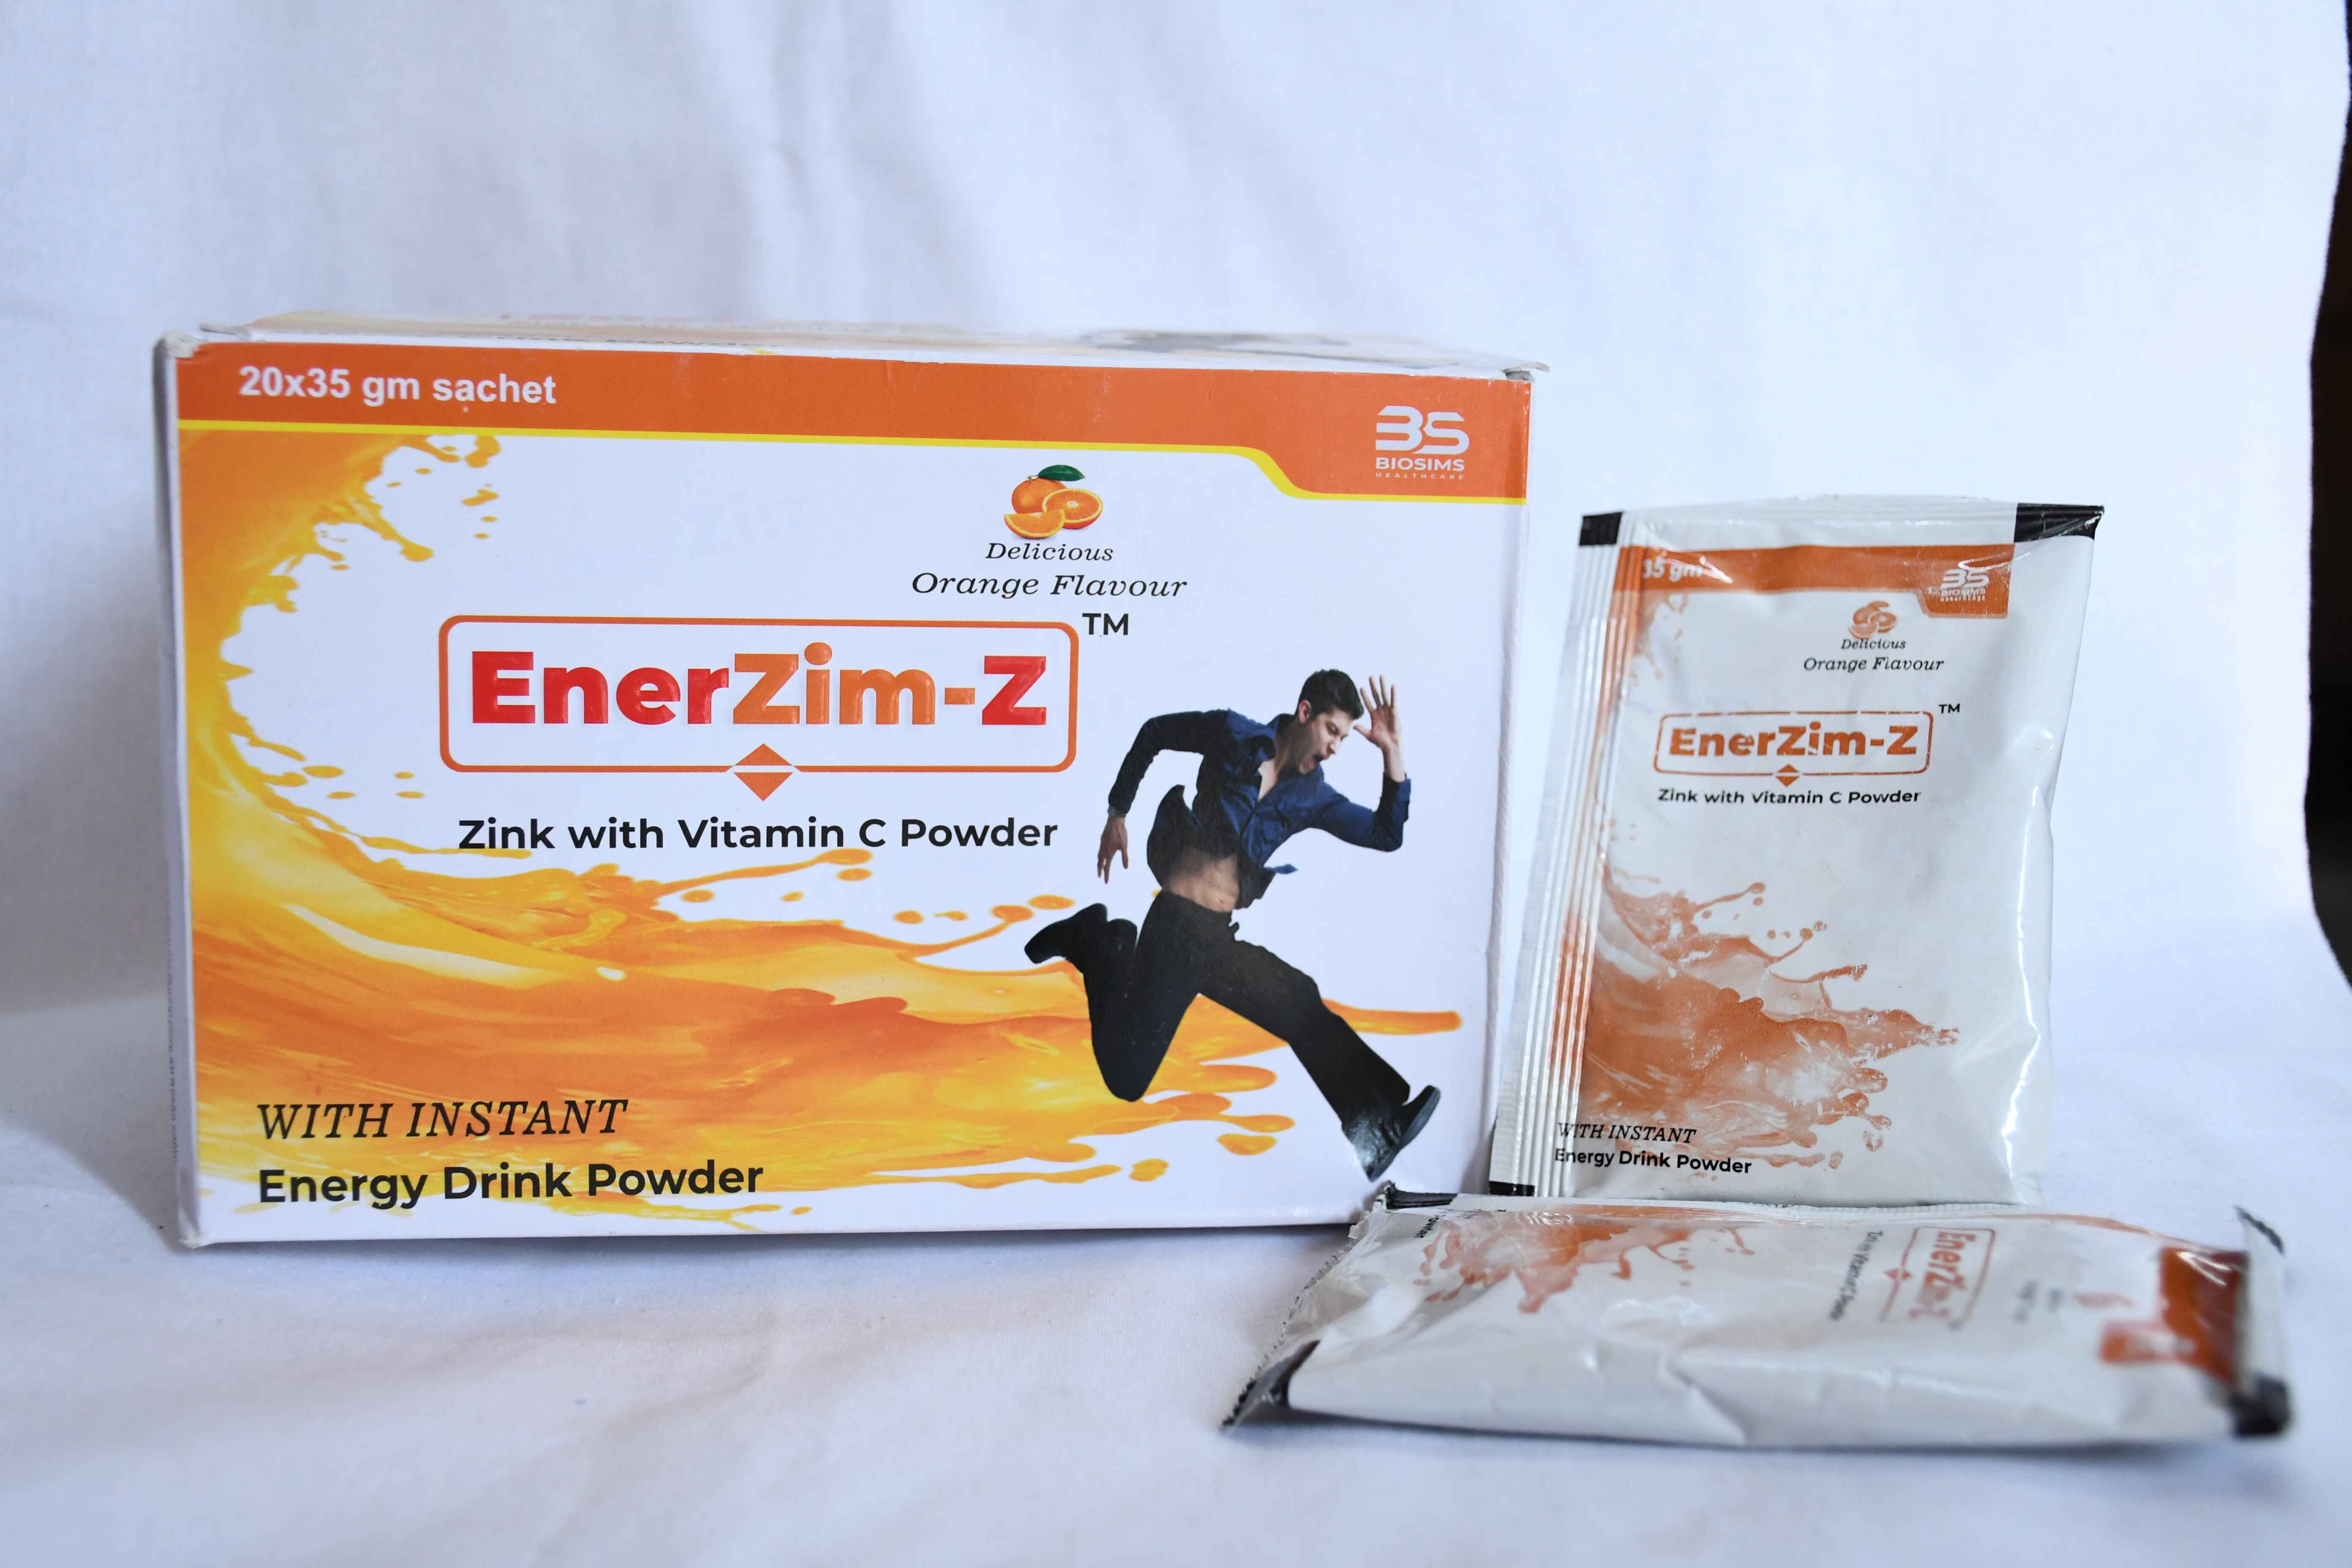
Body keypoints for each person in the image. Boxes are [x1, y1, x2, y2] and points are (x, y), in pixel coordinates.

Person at [1023, 670, 1441, 1179]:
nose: (1334, 748)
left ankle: (1378, 1125)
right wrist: (1118, 811)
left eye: (1344, 739)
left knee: (1299, 1002)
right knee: (1127, 1080)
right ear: (1305, 712)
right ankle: (1097, 944)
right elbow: (1155, 732)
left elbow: (1385, 834)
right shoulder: (1233, 734)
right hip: (1175, 928)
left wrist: (1392, 752)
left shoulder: (1312, 797)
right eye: (1332, 731)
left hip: (1216, 939)